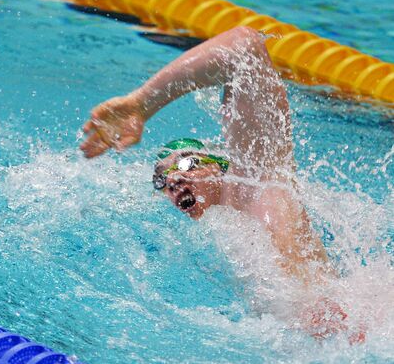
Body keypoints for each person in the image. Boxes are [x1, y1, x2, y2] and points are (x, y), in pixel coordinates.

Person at [79, 26, 364, 342]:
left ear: (221, 166)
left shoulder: (255, 185)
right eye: (161, 179)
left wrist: (142, 104)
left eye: (187, 162)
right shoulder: (216, 240)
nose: (173, 179)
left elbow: (244, 46)